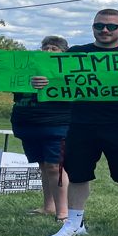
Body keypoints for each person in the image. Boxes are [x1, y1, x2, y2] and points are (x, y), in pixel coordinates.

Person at [33, 9, 118, 236]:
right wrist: (41, 83)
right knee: (77, 173)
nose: (105, 30)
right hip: (80, 121)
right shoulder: (77, 53)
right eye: (99, 26)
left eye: (111, 26)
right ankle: (74, 223)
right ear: (93, 27)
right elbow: (55, 81)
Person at [11, 35, 72, 222]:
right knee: (43, 166)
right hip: (28, 123)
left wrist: (52, 82)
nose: (48, 51)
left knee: (55, 166)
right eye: (45, 47)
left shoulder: (69, 72)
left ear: (64, 53)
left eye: (54, 48)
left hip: (57, 125)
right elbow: (15, 92)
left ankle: (63, 211)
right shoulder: (27, 70)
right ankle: (48, 206)